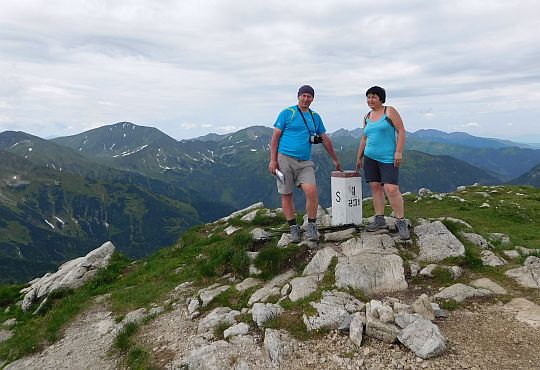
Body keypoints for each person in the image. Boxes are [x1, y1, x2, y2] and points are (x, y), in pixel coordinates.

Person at [269, 85, 342, 242]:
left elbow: (325, 138)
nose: (306, 99)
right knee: (287, 194)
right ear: (298, 97)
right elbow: (275, 137)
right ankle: (293, 228)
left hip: (305, 161)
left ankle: (311, 226)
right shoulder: (287, 113)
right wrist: (273, 160)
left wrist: (334, 158)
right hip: (284, 160)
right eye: (304, 96)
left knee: (311, 191)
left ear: (312, 99)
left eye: (309, 96)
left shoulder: (315, 117)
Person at [355, 86, 410, 240]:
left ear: (381, 98)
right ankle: (379, 219)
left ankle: (400, 221)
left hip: (387, 158)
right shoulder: (367, 116)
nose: (370, 100)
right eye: (368, 97)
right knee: (375, 187)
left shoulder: (389, 111)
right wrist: (359, 157)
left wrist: (398, 152)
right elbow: (364, 138)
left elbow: (401, 131)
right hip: (370, 157)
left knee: (391, 189)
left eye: (374, 97)